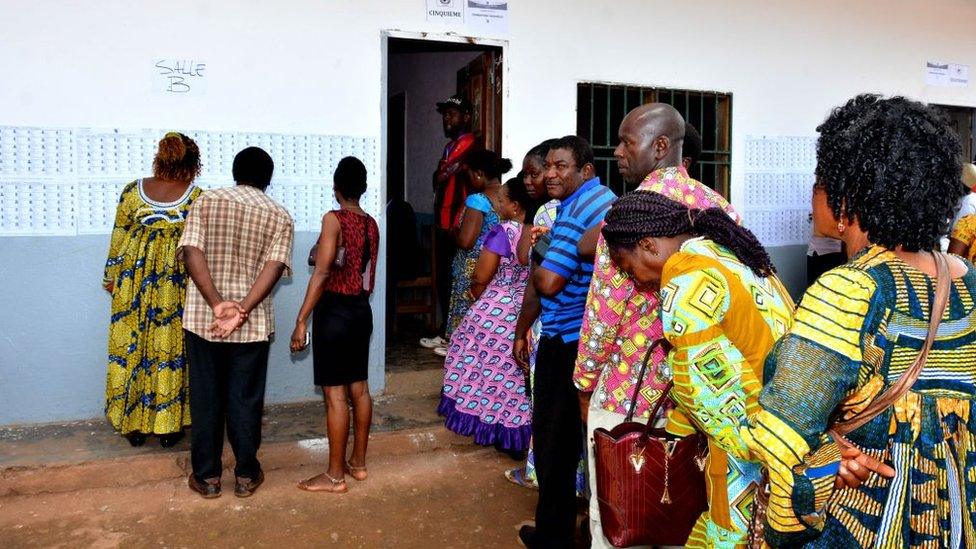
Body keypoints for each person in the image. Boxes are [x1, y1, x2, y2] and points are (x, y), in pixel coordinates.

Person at [740, 95, 972, 547]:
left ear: (846, 197)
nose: (812, 197)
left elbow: (779, 436)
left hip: (865, 524)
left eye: (819, 181)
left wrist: (828, 462)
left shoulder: (848, 290)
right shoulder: (968, 283)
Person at [571, 104, 738, 548]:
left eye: (628, 141)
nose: (617, 150)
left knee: (620, 517)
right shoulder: (719, 208)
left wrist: (585, 384)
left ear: (661, 146)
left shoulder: (629, 214)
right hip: (701, 396)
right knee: (683, 512)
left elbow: (604, 312)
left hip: (628, 394)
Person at [602, 191, 794, 547]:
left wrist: (685, 441)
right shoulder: (725, 253)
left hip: (751, 444)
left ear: (648, 245)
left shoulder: (684, 274)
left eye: (630, 269)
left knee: (734, 533)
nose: (638, 281)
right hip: (789, 421)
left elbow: (704, 388)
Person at [178, 146, 294, 499]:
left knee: (206, 398)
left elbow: (191, 252)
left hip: (203, 320)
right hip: (251, 326)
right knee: (245, 400)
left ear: (235, 171)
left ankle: (208, 478)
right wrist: (241, 309)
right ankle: (245, 475)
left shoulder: (206, 201)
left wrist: (216, 304)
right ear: (268, 180)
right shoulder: (279, 215)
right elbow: (273, 268)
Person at [519, 136, 616, 549]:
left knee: (554, 443)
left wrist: (542, 256)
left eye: (562, 167)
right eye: (549, 167)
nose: (551, 174)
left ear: (586, 171)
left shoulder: (578, 210)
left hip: (567, 339)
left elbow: (548, 280)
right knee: (586, 441)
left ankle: (553, 537)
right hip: (592, 338)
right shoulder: (604, 200)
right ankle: (586, 529)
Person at [103, 132, 202, 448]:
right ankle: (168, 428)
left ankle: (132, 427)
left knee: (132, 348)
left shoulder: (133, 191)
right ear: (194, 164)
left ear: (159, 159)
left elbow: (119, 237)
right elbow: (202, 249)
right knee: (169, 350)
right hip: (176, 288)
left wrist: (111, 277)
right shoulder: (197, 197)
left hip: (133, 284)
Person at [290, 157, 379, 494]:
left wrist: (302, 319)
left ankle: (334, 476)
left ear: (336, 187)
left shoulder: (334, 219)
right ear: (364, 187)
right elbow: (367, 274)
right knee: (360, 388)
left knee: (335, 397)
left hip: (335, 313)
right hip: (360, 310)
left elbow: (323, 270)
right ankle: (358, 465)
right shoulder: (371, 224)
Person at [439, 176, 536, 453]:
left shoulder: (502, 232)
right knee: (515, 382)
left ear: (516, 206)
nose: (500, 204)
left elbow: (482, 275)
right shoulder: (539, 231)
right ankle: (516, 435)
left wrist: (477, 292)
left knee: (475, 363)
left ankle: (488, 424)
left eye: (503, 200)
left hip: (497, 307)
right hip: (526, 309)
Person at [421, 95, 481, 353]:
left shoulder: (470, 146)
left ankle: (456, 337)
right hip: (444, 224)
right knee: (446, 281)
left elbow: (444, 174)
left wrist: (442, 172)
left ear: (466, 116)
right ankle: (448, 332)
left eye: (452, 113)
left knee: (459, 281)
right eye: (445, 113)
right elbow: (439, 177)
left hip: (460, 226)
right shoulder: (451, 146)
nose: (447, 118)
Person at [438, 149, 507, 354]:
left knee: (466, 331)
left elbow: (467, 241)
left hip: (473, 272)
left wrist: (454, 233)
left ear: (478, 174)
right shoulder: (507, 195)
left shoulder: (478, 200)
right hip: (496, 268)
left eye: (469, 176)